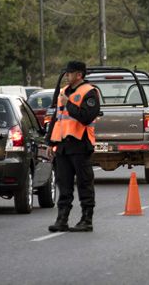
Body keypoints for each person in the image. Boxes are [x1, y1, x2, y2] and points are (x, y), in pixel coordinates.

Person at [46, 61, 100, 233]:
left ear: (79, 75)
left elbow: (86, 117)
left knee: (84, 183)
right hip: (63, 146)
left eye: (69, 73)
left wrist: (69, 102)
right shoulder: (63, 92)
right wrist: (50, 141)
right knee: (64, 184)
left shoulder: (90, 92)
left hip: (80, 145)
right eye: (66, 73)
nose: (66, 76)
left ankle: (86, 219)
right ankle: (62, 219)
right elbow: (57, 118)